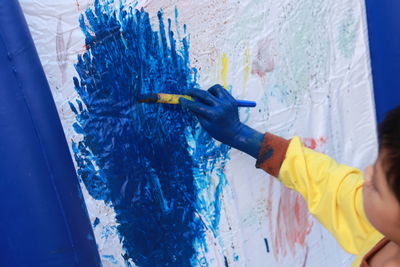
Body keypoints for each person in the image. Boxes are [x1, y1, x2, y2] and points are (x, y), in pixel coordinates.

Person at [179, 84, 400, 267]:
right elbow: (324, 180)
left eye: (376, 187)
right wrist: (240, 134)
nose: (367, 173)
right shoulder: (381, 230)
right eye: (375, 163)